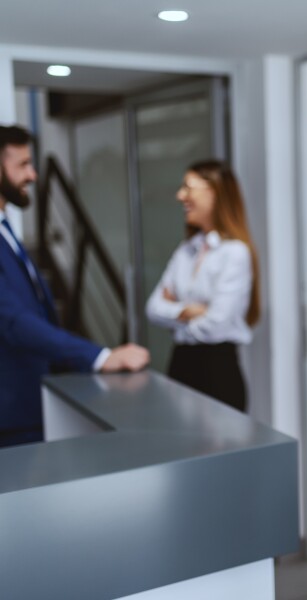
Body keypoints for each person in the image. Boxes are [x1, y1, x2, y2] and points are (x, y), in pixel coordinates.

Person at [0, 125, 150, 448]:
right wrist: (99, 356)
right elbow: (13, 322)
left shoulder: (6, 228)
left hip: (30, 404)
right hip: (10, 415)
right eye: (23, 164)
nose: (34, 175)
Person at [146, 160, 259, 412]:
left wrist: (175, 317)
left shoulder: (234, 253)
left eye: (188, 187)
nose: (180, 195)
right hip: (180, 366)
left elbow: (217, 325)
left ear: (215, 192)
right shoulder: (186, 250)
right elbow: (152, 307)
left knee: (222, 447)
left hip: (218, 370)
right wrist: (189, 312)